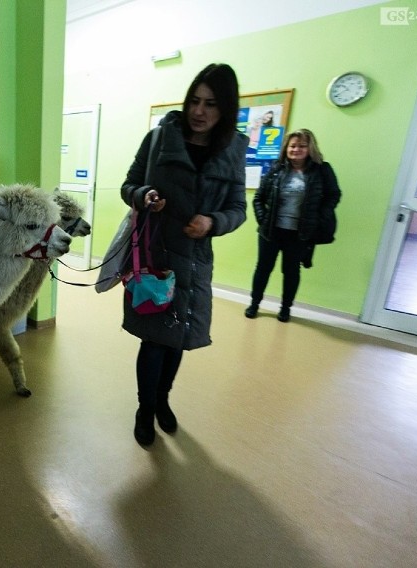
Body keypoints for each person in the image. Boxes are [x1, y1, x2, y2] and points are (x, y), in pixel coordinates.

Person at [120, 63, 248, 446]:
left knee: (178, 339)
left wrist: (213, 222)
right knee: (154, 338)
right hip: (156, 257)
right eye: (194, 101)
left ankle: (162, 400)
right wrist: (145, 196)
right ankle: (145, 408)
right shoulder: (159, 138)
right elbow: (130, 184)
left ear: (225, 108)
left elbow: (239, 208)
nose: (199, 111)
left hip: (194, 261)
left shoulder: (233, 149)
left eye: (210, 104)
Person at [245, 129, 341, 323]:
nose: (296, 149)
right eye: (293, 145)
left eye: (302, 146)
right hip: (271, 231)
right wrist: (263, 220)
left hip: (300, 233)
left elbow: (333, 195)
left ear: (310, 148)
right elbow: (258, 198)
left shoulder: (322, 170)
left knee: (291, 272)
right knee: (263, 268)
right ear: (287, 148)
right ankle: (254, 304)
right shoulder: (276, 168)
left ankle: (285, 308)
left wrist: (319, 219)